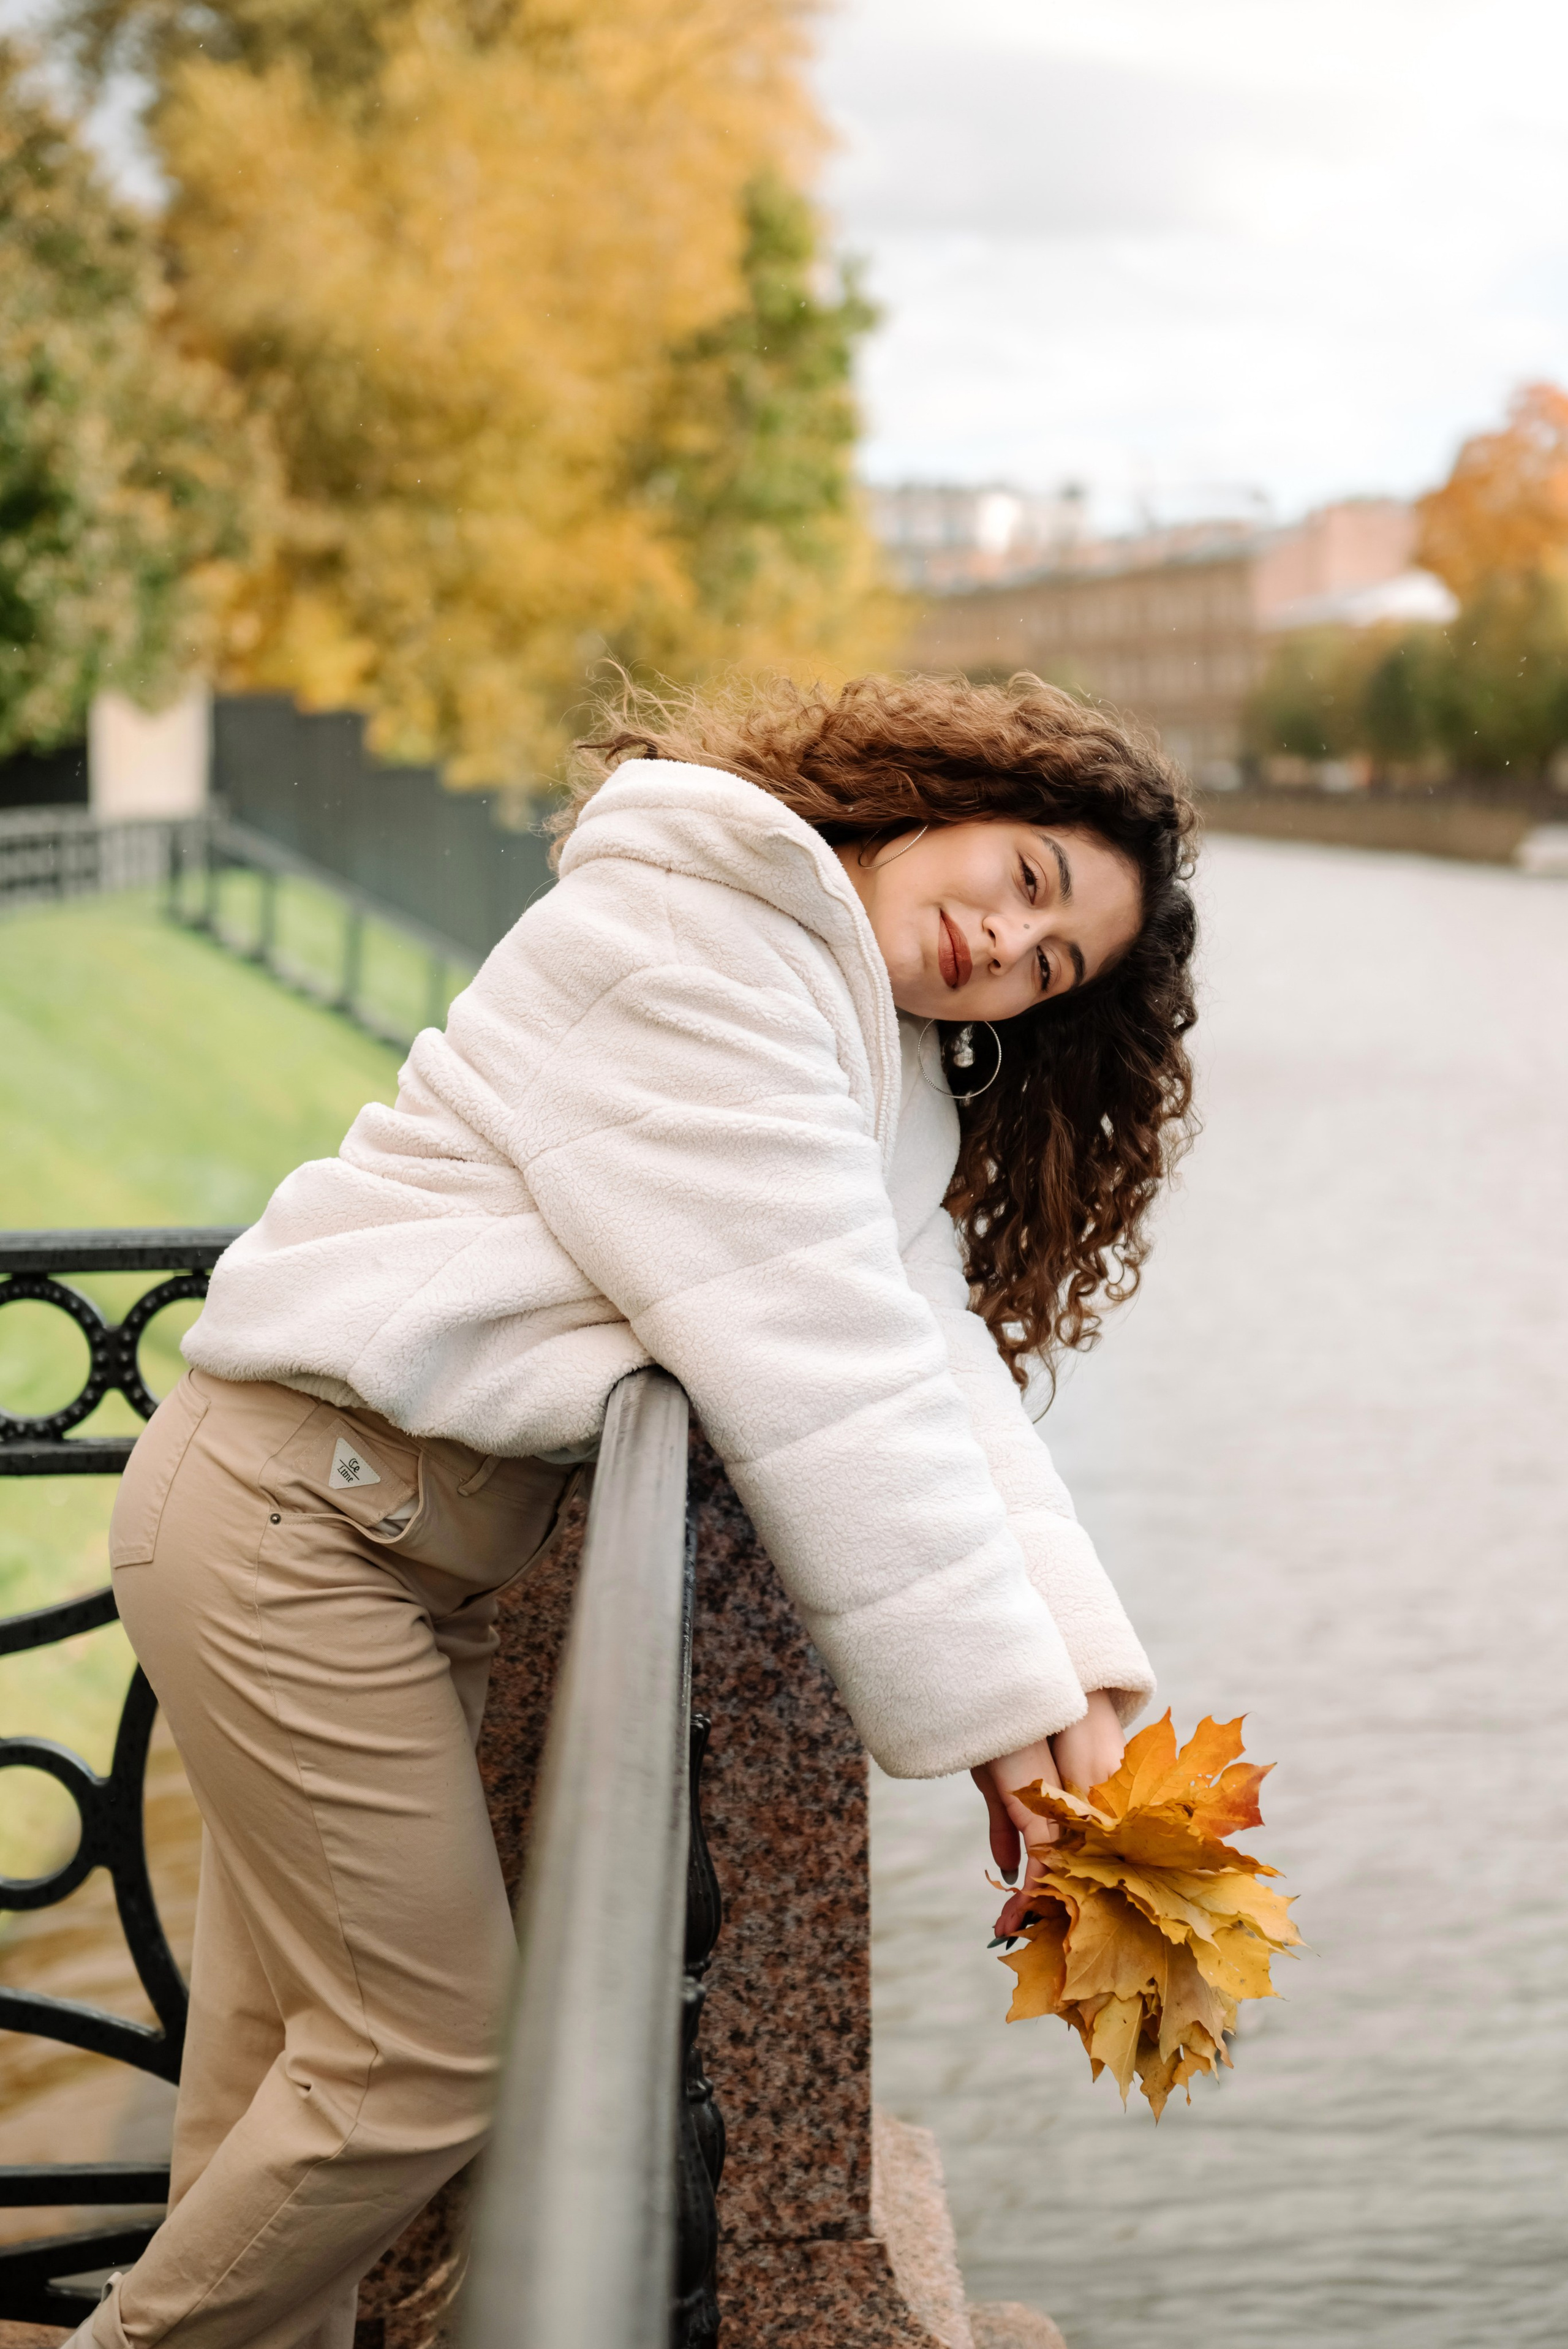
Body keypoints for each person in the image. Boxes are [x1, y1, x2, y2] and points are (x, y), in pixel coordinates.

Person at [88, 672, 1198, 2349]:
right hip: (287, 1527)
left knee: (273, 2080)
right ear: (936, 796)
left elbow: (931, 1352)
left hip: (387, 1557)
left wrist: (1089, 1689)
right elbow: (821, 1361)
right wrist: (998, 1716)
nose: (1003, 940)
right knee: (424, 2060)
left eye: (1052, 966)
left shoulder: (865, 1047)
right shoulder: (699, 940)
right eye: (1027, 878)